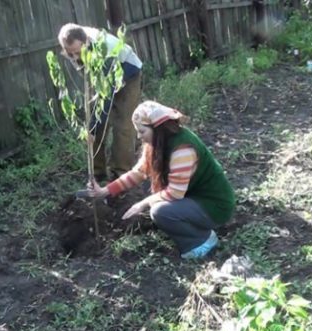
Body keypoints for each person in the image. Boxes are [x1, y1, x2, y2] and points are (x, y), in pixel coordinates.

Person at [85, 101, 235, 259]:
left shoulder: (182, 149)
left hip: (216, 206)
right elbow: (138, 173)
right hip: (194, 197)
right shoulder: (158, 143)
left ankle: (202, 240)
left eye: (142, 131)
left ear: (156, 128)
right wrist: (105, 191)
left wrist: (142, 203)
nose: (139, 136)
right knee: (158, 204)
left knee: (160, 211)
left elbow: (175, 193)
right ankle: (192, 225)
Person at [57, 23, 143, 182]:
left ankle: (120, 174)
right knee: (94, 121)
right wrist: (93, 127)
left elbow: (106, 96)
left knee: (123, 125)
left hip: (128, 71)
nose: (75, 58)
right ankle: (97, 173)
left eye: (77, 52)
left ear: (86, 42)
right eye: (70, 54)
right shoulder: (72, 43)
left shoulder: (105, 48)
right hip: (100, 76)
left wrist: (92, 129)